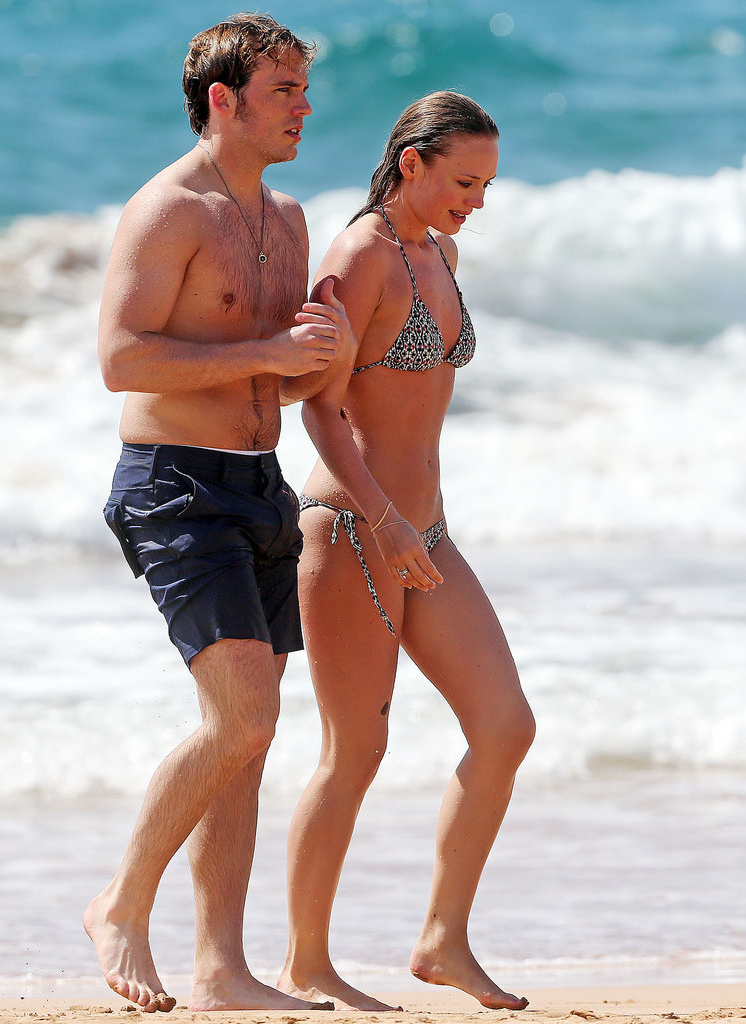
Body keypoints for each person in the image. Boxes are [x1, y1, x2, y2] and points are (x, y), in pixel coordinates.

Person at [83, 13, 354, 1013]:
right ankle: (119, 902)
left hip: (258, 483)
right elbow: (123, 358)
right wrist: (269, 355)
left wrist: (319, 356)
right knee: (243, 716)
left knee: (245, 741)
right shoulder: (169, 210)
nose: (303, 107)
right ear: (222, 101)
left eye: (303, 89)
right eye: (284, 90)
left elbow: (273, 377)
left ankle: (221, 972)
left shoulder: (286, 218)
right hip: (175, 484)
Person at [277, 91, 536, 1011]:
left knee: (505, 728)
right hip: (353, 527)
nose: (477, 200)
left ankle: (441, 940)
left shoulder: (440, 253)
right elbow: (319, 407)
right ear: (411, 162)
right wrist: (381, 516)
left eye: (487, 184)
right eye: (464, 181)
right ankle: (306, 962)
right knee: (355, 749)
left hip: (424, 531)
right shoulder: (359, 255)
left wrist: (410, 521)